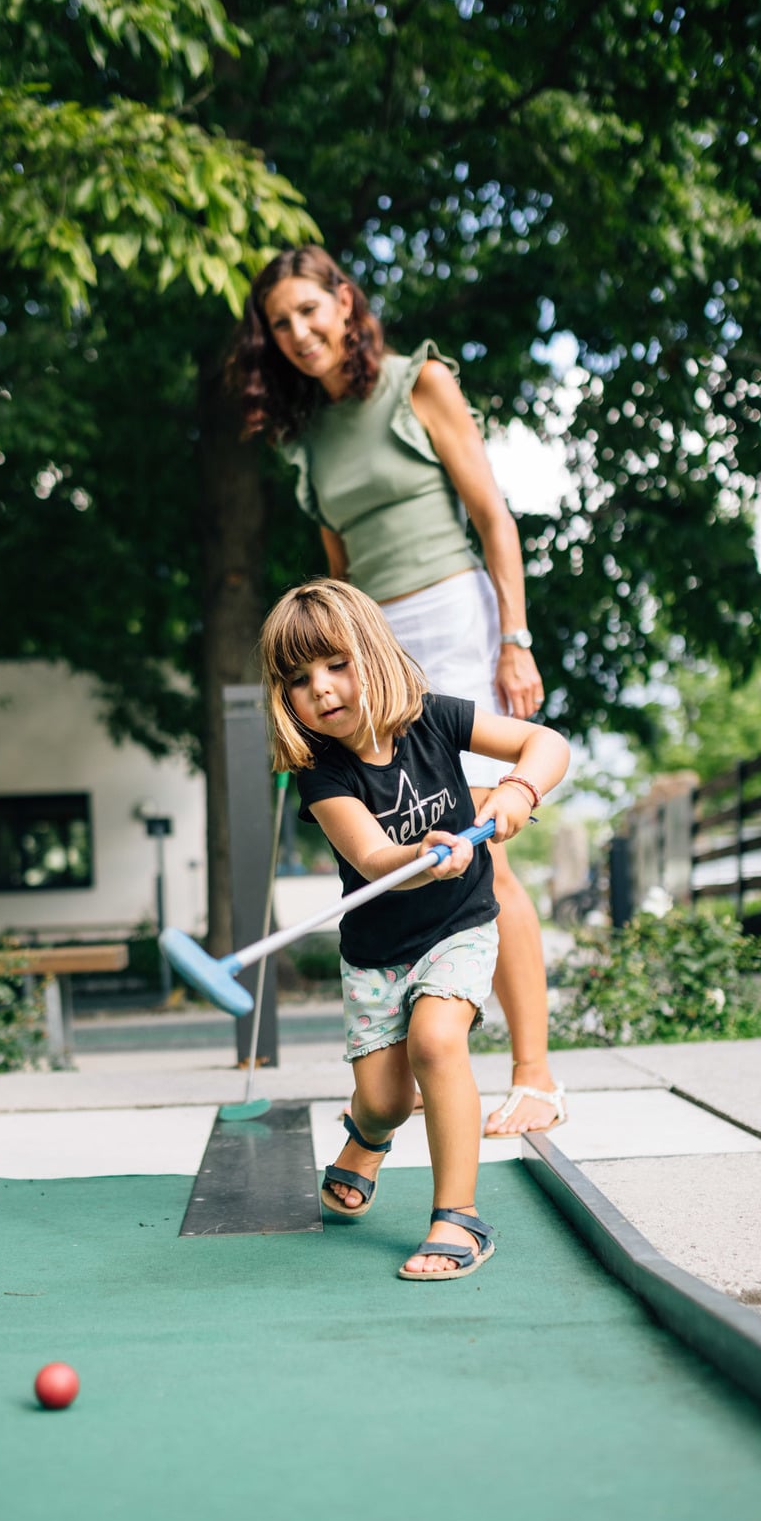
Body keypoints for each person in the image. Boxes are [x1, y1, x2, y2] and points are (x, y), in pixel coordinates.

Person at [230, 246, 567, 1136]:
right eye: (280, 323)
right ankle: (420, 1052)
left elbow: (492, 515)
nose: (298, 332)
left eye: (309, 310)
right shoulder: (305, 437)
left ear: (345, 302)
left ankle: (534, 1075)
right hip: (369, 645)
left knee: (485, 846)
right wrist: (336, 670)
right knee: (404, 842)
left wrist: (515, 638)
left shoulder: (419, 382)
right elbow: (339, 573)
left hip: (454, 617)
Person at [259, 579, 571, 1280]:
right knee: (386, 1100)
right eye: (299, 679)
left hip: (459, 927)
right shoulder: (322, 774)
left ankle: (458, 1218)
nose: (321, 688)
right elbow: (373, 859)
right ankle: (367, 1136)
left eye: (336, 664)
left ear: (372, 654)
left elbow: (544, 742)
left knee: (436, 1041)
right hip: (377, 956)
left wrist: (518, 789)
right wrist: (421, 856)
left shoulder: (435, 718)